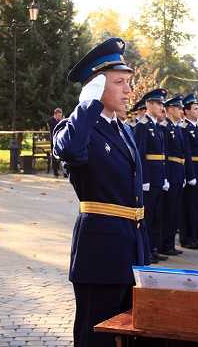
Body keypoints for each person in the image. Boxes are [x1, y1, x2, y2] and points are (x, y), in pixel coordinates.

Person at [52, 37, 151, 347]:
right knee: (95, 337)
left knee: (127, 333)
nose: (128, 89)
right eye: (119, 82)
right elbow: (69, 150)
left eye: (128, 82)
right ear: (95, 87)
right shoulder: (75, 128)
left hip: (132, 247)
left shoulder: (123, 129)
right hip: (100, 252)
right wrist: (88, 105)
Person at [134, 88, 169, 263]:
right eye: (158, 103)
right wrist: (144, 179)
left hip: (158, 178)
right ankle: (145, 252)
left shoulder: (156, 126)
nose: (161, 107)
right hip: (149, 179)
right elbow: (140, 155)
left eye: (162, 103)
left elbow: (161, 156)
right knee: (147, 217)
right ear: (148, 104)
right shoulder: (142, 126)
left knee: (156, 216)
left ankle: (153, 249)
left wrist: (164, 178)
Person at [159, 95, 188, 256]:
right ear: (169, 109)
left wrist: (183, 175)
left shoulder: (176, 127)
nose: (180, 111)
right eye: (178, 108)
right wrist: (165, 177)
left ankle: (169, 244)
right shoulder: (164, 127)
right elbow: (164, 154)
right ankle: (163, 244)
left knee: (174, 210)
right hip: (169, 172)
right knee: (167, 211)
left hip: (177, 172)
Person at [180, 93, 198, 250]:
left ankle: (195, 235)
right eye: (195, 109)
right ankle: (187, 238)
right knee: (189, 206)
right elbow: (187, 153)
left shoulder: (197, 127)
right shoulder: (185, 128)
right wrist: (190, 175)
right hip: (192, 171)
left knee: (197, 205)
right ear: (187, 111)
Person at [47, 108, 64, 177]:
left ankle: (64, 172)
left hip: (60, 141)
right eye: (59, 115)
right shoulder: (51, 121)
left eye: (61, 115)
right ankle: (55, 172)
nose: (60, 117)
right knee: (54, 156)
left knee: (62, 156)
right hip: (54, 141)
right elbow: (55, 128)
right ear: (55, 114)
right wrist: (61, 121)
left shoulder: (60, 120)